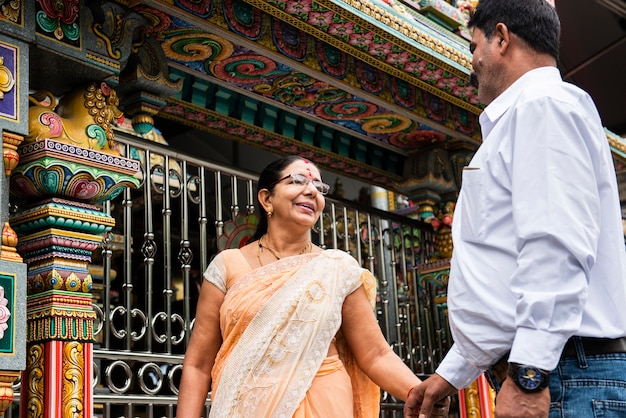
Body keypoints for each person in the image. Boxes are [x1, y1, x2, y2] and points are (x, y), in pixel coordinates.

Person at [405, 1, 626, 417]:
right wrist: (453, 371)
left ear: (501, 38)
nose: (473, 62)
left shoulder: (542, 105)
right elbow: (507, 274)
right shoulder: (536, 110)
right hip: (563, 370)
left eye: (474, 46)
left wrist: (529, 375)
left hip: (565, 375)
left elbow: (553, 248)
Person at [177, 155, 448, 417]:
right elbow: (199, 365)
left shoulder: (337, 269)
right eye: (297, 181)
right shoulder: (228, 265)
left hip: (323, 403)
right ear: (266, 198)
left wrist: (419, 392)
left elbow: (375, 354)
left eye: (319, 188)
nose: (311, 192)